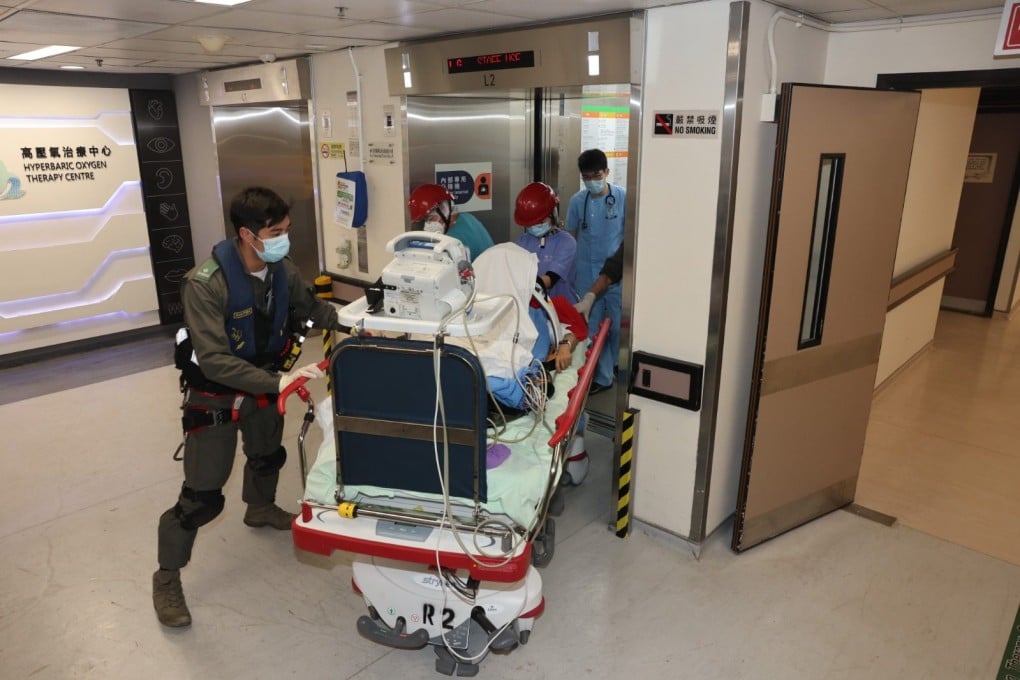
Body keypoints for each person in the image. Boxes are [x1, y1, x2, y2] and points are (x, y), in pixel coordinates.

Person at [153, 187, 342, 628]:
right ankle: (166, 577)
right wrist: (279, 381)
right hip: (215, 396)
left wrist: (365, 320)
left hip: (267, 384)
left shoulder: (283, 269)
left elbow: (311, 307)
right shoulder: (205, 284)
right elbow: (215, 360)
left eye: (286, 231)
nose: (283, 240)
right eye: (275, 233)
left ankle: (259, 508)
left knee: (266, 456)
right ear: (247, 234)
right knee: (200, 498)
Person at [565, 149, 626, 395]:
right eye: (586, 177)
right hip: (586, 273)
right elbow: (571, 237)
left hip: (616, 274)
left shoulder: (623, 197)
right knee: (592, 327)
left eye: (596, 175)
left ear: (607, 172)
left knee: (619, 324)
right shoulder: (577, 202)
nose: (592, 181)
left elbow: (629, 237)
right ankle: (601, 377)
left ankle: (617, 368)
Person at [513, 181, 578, 301]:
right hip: (532, 308)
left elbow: (550, 280)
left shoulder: (566, 243)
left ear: (553, 213)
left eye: (540, 222)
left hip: (561, 310)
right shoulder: (522, 242)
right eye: (531, 224)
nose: (534, 226)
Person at [408, 183, 494, 262]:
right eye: (425, 221)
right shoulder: (467, 217)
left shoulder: (453, 240)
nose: (426, 226)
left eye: (430, 219)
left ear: (445, 210)